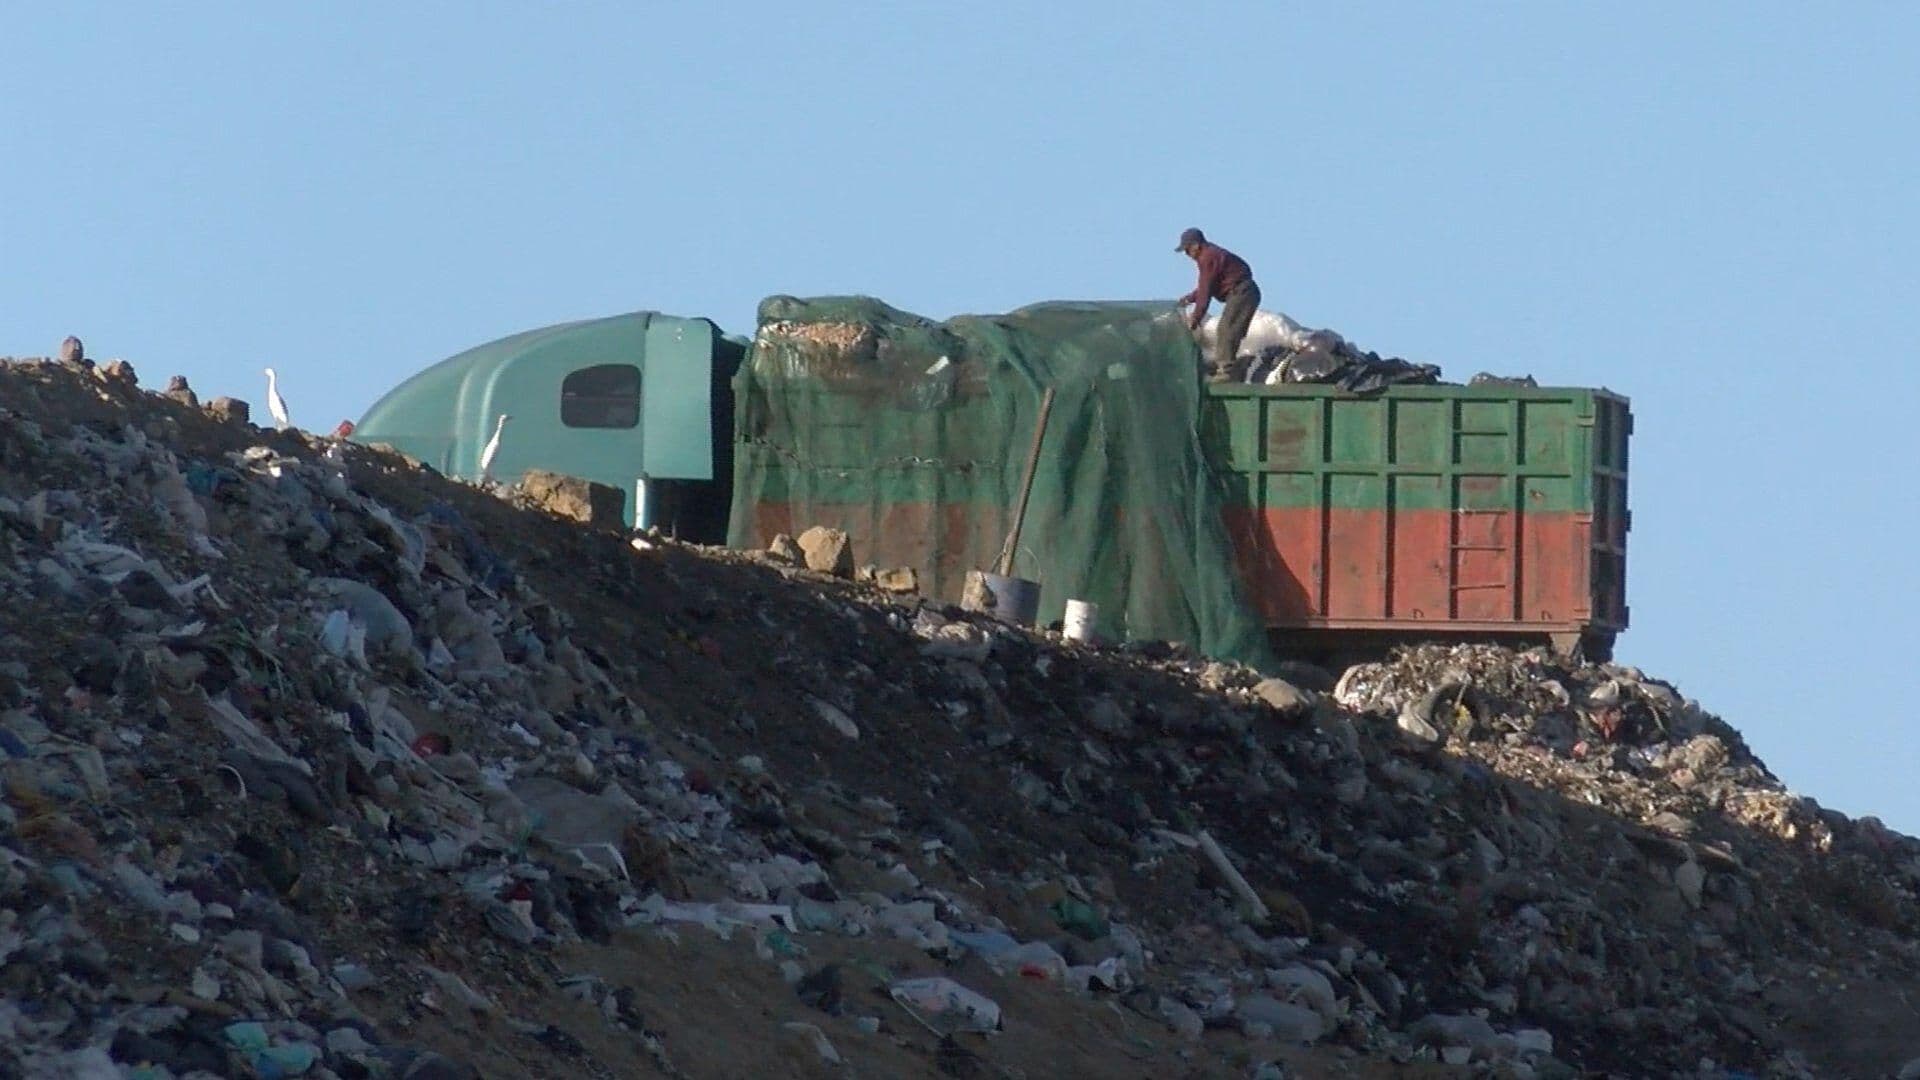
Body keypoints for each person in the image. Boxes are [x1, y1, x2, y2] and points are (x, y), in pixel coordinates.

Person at [1175, 228, 1261, 382]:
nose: (1188, 255)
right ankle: (1231, 367)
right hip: (1242, 292)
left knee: (1226, 328)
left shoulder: (1207, 257)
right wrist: (1189, 299)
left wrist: (1196, 318)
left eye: (1187, 250)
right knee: (1230, 329)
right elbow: (1207, 287)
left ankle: (1226, 372)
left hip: (1242, 292)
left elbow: (1205, 291)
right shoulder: (1209, 255)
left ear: (1196, 246)